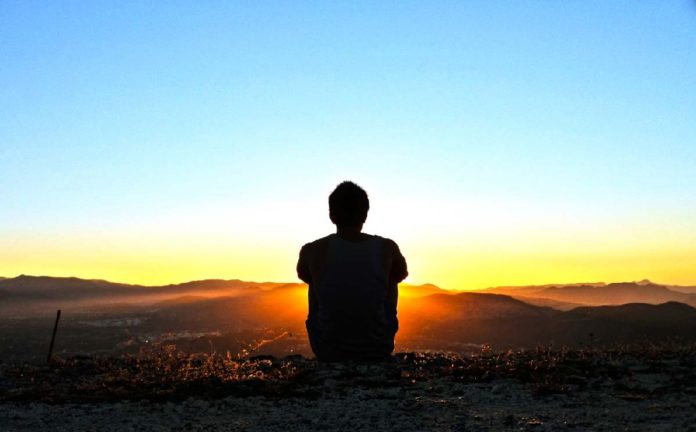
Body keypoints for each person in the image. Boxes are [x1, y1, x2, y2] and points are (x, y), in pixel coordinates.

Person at [296, 181, 408, 361]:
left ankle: (334, 335)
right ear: (365, 214)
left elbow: (304, 275)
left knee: (316, 279)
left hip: (326, 350)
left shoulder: (312, 250)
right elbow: (401, 274)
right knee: (390, 278)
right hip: (379, 348)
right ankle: (375, 332)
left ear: (331, 215)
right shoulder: (387, 248)